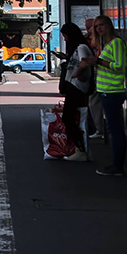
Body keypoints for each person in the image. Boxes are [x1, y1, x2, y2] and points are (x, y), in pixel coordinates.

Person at [81, 15, 127, 176]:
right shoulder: (106, 44)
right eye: (96, 27)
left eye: (101, 25)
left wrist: (98, 62)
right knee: (113, 128)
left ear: (109, 25)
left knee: (115, 129)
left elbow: (119, 66)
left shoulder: (116, 43)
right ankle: (116, 164)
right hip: (106, 90)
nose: (99, 29)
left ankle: (118, 166)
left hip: (113, 91)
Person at [57, 23, 92, 161]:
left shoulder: (81, 47)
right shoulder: (78, 47)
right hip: (75, 85)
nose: (65, 39)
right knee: (73, 117)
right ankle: (79, 148)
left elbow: (84, 62)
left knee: (68, 117)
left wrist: (77, 74)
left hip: (77, 86)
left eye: (65, 36)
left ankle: (80, 148)